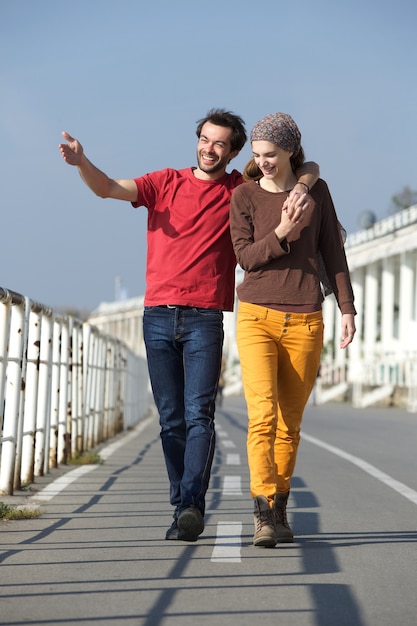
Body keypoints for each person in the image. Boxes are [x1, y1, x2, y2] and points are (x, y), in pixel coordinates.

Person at [59, 108, 319, 543]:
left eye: (220, 143)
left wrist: (306, 184)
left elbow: (304, 165)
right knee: (170, 420)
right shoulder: (164, 182)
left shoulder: (242, 190)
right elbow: (106, 188)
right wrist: (82, 162)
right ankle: (182, 504)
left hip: (204, 318)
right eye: (204, 139)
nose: (209, 148)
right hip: (156, 315)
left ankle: (192, 506)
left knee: (200, 414)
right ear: (196, 139)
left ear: (234, 152)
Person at [229, 112, 356, 548]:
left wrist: (347, 308)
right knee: (262, 415)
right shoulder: (244, 196)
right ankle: (263, 511)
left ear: (290, 152)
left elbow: (332, 253)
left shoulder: (316, 191)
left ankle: (280, 505)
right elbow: (245, 258)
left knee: (290, 423)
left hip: (305, 316)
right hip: (256, 315)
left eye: (271, 154)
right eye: (258, 155)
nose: (263, 162)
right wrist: (283, 230)